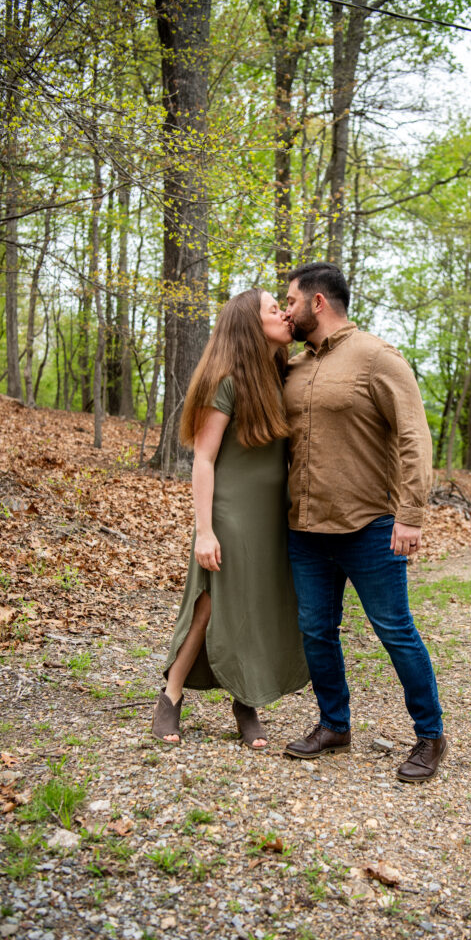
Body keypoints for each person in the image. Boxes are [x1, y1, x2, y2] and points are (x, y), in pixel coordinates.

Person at [282, 262, 447, 782]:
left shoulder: (377, 357)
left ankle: (430, 736)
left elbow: (414, 437)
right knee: (316, 631)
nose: (286, 310)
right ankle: (335, 725)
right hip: (305, 529)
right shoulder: (294, 366)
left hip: (370, 526)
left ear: (317, 303)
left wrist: (411, 514)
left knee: (395, 631)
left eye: (290, 301)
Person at [151, 289, 309, 750]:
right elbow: (203, 459)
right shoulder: (224, 379)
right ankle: (171, 694)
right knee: (211, 605)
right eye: (272, 308)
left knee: (256, 606)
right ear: (248, 324)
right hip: (230, 514)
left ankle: (246, 699)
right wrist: (205, 530)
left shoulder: (282, 372)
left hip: (272, 518)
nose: (282, 312)